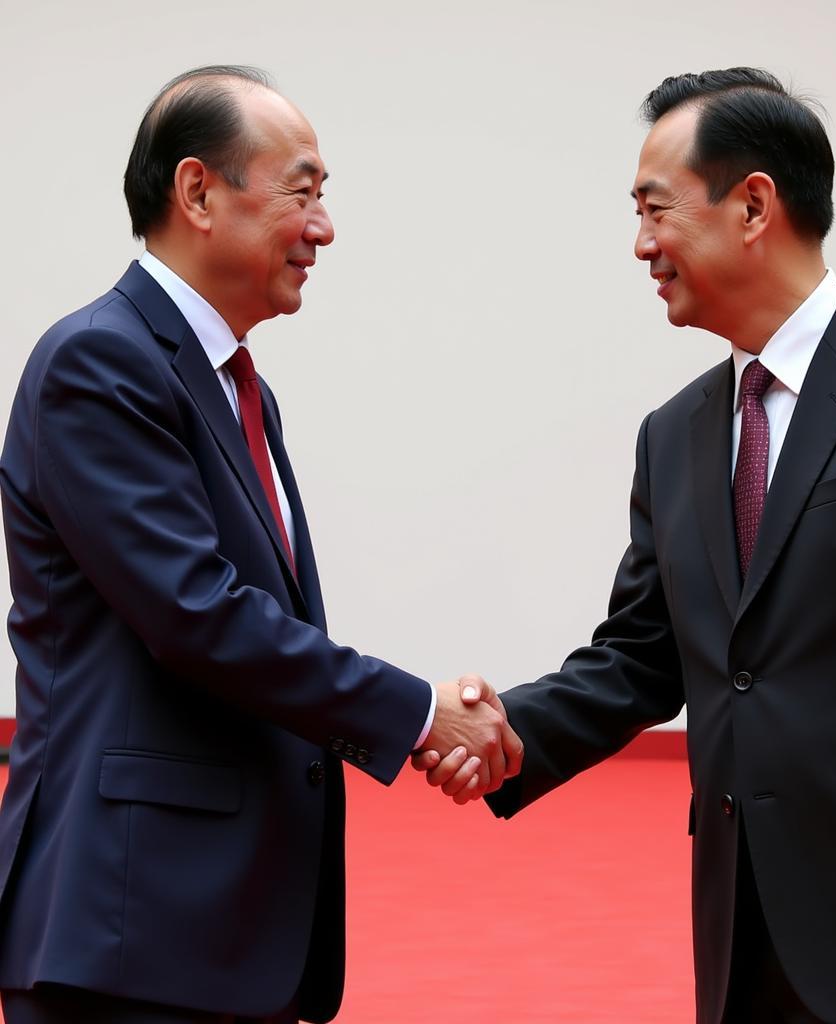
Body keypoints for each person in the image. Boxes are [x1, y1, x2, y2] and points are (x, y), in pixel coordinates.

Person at [416, 68, 836, 1023]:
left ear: (753, 206)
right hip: (743, 929)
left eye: (656, 209)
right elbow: (643, 657)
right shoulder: (676, 434)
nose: (641, 244)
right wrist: (506, 733)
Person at [0, 65, 521, 1024]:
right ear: (198, 192)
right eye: (303, 192)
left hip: (216, 934)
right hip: (128, 935)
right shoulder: (101, 360)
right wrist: (419, 714)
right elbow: (196, 615)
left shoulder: (235, 382)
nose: (322, 228)